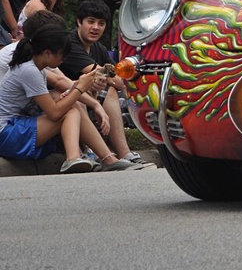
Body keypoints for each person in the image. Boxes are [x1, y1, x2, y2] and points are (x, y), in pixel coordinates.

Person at [0, 24, 140, 172]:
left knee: (71, 107)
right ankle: (76, 158)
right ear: (47, 53)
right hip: (6, 133)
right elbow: (54, 112)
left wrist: (87, 95)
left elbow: (60, 87)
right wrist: (80, 88)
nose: (63, 60)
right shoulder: (30, 71)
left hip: (12, 128)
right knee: (70, 111)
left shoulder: (34, 68)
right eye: (62, 55)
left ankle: (94, 158)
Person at [58, 0, 150, 166]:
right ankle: (89, 152)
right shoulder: (70, 43)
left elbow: (120, 81)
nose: (96, 28)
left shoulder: (98, 48)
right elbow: (95, 72)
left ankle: (125, 154)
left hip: (86, 99)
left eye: (101, 23)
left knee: (110, 90)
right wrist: (104, 78)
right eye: (90, 22)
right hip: (61, 99)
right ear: (79, 22)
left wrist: (105, 78)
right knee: (84, 91)